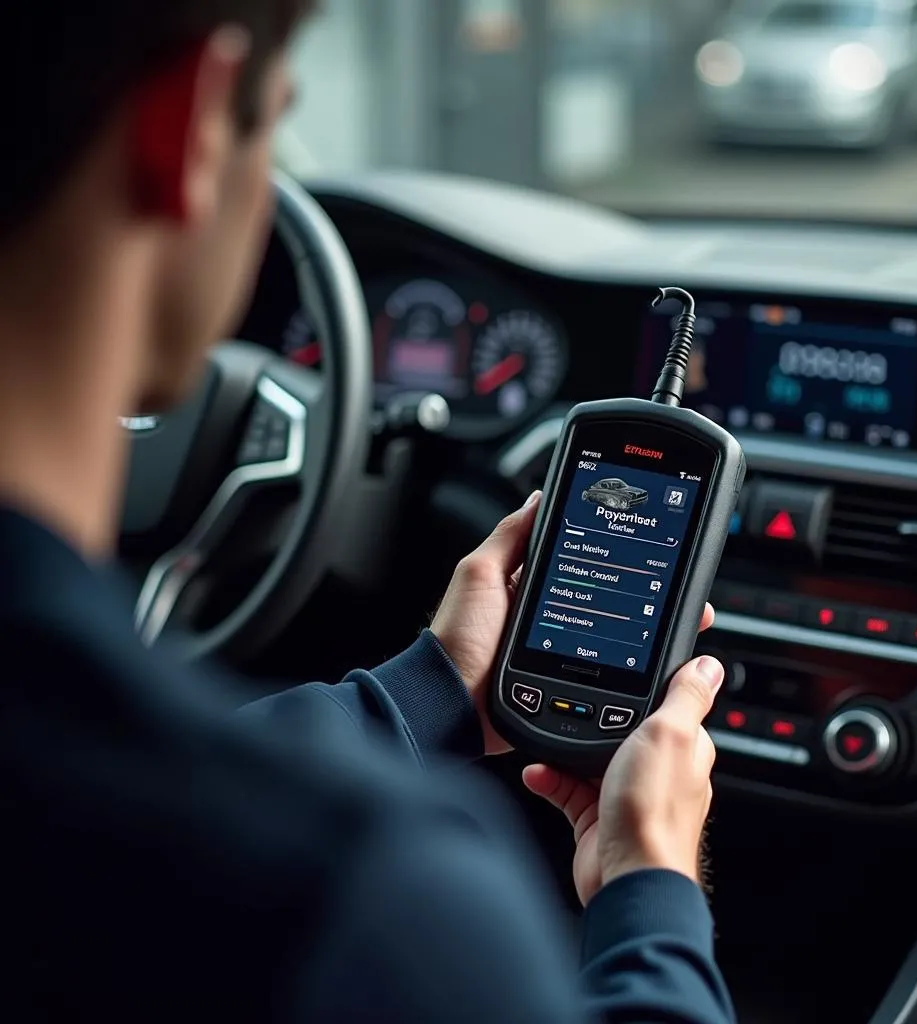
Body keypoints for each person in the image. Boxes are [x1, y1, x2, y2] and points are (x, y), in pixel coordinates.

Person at [0, 4, 736, 1022]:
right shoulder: (364, 898)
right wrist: (649, 885)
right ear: (190, 129)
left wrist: (426, 691)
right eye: (275, 128)